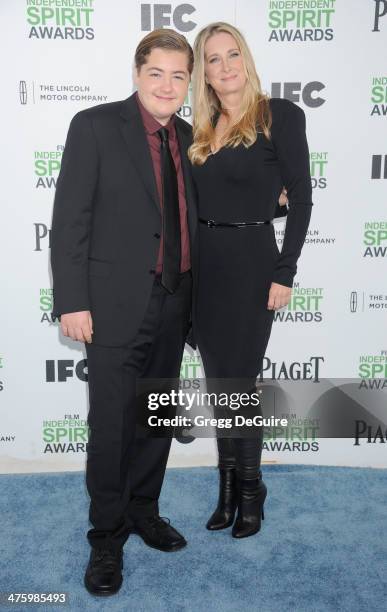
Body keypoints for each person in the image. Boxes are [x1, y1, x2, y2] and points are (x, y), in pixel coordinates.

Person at [50, 29, 197, 596]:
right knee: (111, 425)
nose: (166, 84)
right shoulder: (94, 126)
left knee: (155, 418)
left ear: (188, 82)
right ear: (137, 74)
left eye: (178, 75)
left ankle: (143, 509)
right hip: (110, 306)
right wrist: (72, 300)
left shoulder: (189, 136)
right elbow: (70, 221)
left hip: (175, 301)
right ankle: (106, 537)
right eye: (156, 72)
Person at [189, 22, 313, 538]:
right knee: (222, 385)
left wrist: (285, 270)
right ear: (204, 73)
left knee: (241, 385)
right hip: (203, 268)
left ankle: (250, 489)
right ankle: (226, 488)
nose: (225, 66)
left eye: (231, 54)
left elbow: (301, 199)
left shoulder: (280, 115)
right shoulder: (195, 127)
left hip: (252, 265)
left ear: (246, 58)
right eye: (213, 60)